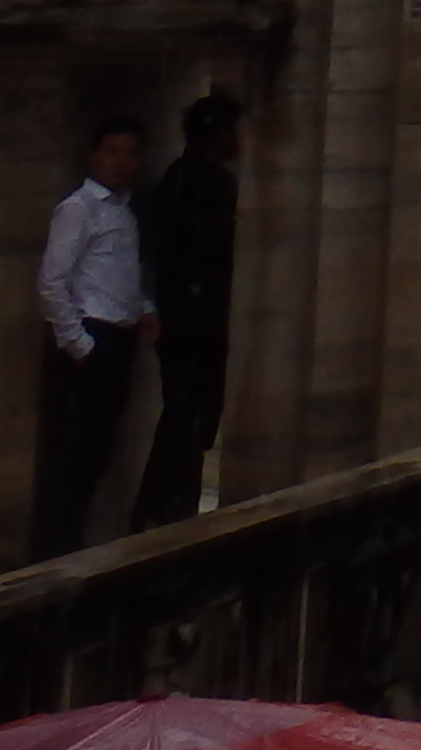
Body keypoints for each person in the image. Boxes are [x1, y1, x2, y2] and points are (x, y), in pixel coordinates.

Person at [27, 117, 154, 559]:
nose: (122, 163)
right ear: (94, 155)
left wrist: (145, 309)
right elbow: (52, 282)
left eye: (131, 154)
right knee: (72, 448)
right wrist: (77, 342)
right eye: (112, 152)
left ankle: (71, 540)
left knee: (97, 447)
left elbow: (120, 272)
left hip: (118, 335)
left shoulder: (125, 211)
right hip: (89, 335)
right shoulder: (78, 208)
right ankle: (52, 546)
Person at [128, 94, 240, 528]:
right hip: (192, 320)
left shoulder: (197, 180)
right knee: (185, 417)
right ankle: (162, 510)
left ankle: (172, 509)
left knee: (193, 418)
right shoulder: (192, 182)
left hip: (197, 317)